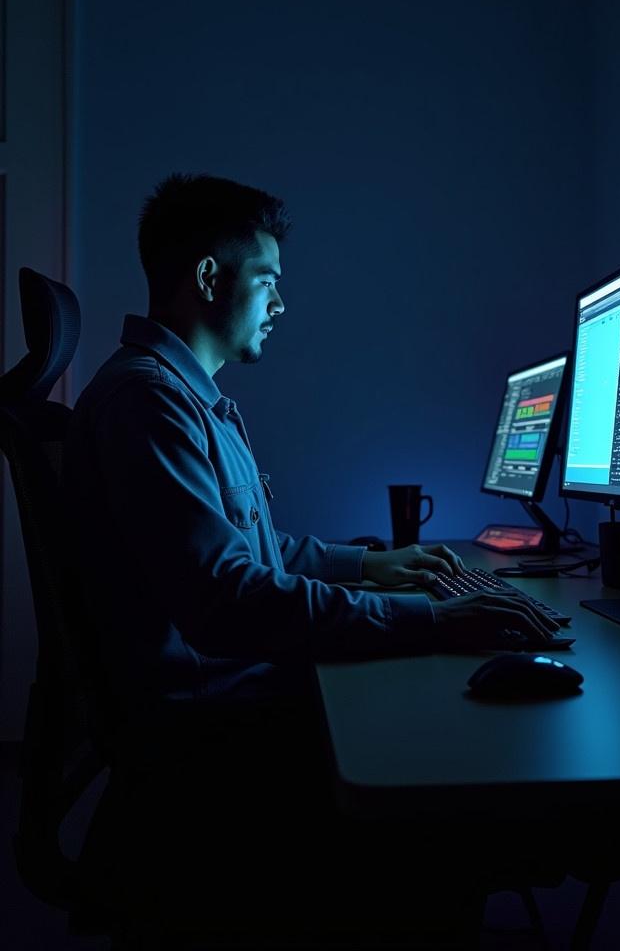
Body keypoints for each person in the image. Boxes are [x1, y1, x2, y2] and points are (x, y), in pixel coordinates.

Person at [63, 173, 560, 946]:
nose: (280, 304)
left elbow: (256, 554)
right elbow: (225, 600)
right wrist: (433, 617)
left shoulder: (193, 401)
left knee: (423, 697)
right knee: (443, 741)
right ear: (208, 277)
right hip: (211, 734)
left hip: (230, 702)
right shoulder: (147, 403)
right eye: (268, 280)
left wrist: (371, 569)